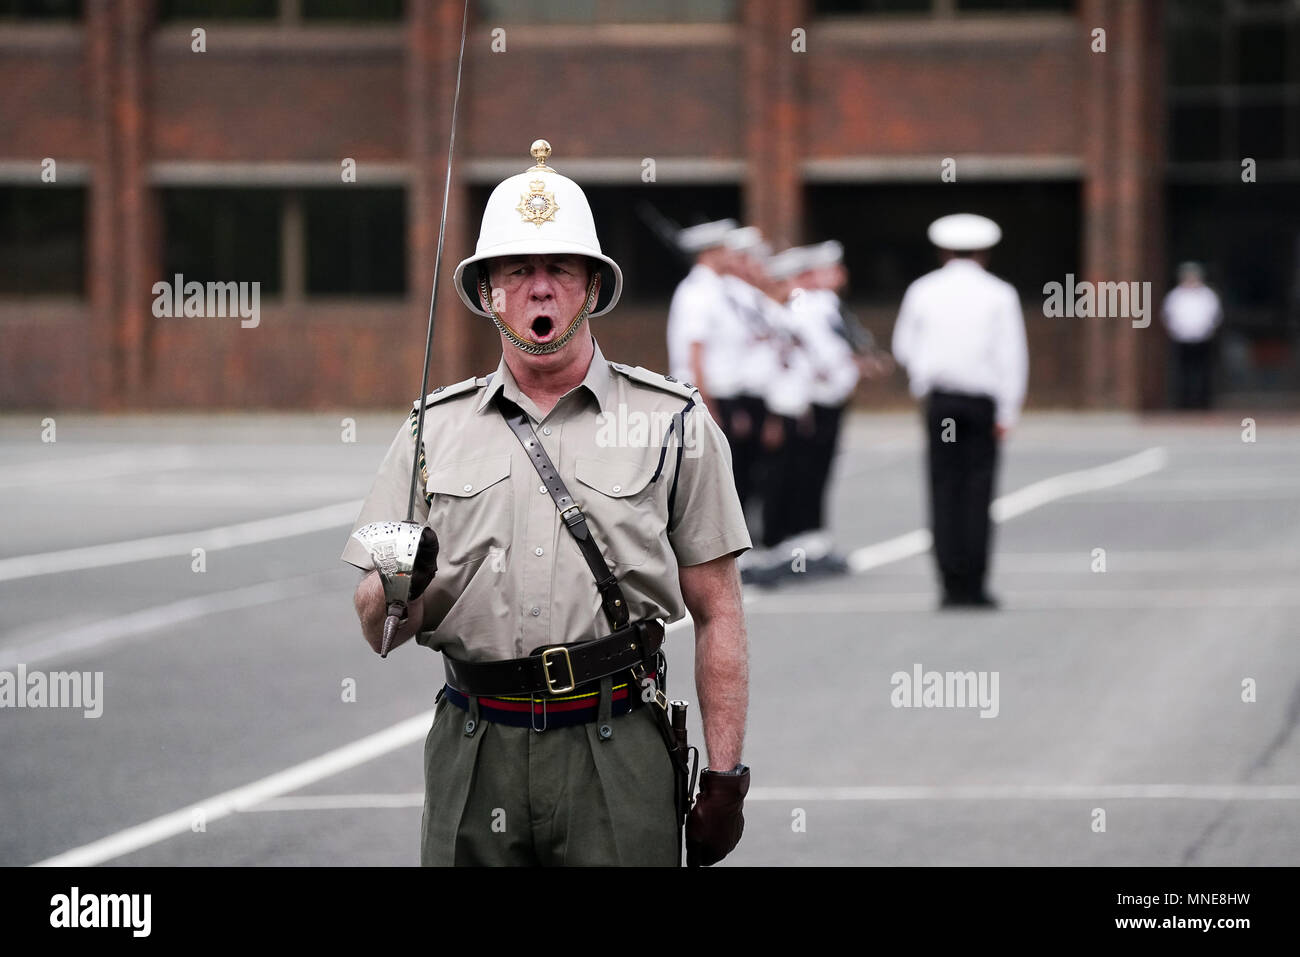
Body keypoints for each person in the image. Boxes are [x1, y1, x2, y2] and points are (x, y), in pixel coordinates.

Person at [341, 140, 752, 866]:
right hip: (475, 747)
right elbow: (377, 628)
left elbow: (718, 607)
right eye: (517, 270)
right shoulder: (430, 431)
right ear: (487, 292)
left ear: (592, 287)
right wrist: (400, 583)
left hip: (617, 744)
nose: (539, 288)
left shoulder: (673, 421)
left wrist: (726, 776)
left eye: (559, 268)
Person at [890, 214, 1028, 609]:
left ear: (943, 250)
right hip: (982, 403)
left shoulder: (923, 289)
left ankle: (949, 584)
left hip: (942, 402)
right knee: (978, 491)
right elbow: (1011, 357)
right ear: (984, 252)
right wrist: (1008, 412)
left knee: (943, 488)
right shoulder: (1000, 293)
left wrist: (923, 378)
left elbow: (903, 346)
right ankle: (975, 584)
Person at [1161, 261, 1222, 410]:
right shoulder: (1175, 295)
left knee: (1203, 372)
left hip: (1202, 339)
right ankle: (1184, 403)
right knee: (1183, 372)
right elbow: (1167, 315)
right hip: (1181, 339)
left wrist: (1207, 330)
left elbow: (1215, 315)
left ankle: (1202, 403)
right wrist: (1176, 331)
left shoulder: (1207, 295)